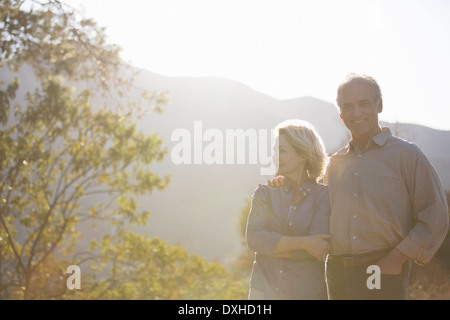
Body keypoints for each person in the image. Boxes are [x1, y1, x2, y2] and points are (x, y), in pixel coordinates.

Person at [268, 73, 449, 300]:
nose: (356, 112)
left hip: (383, 270)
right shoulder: (335, 163)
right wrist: (285, 188)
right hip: (337, 272)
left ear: (379, 105)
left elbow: (436, 216)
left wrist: (394, 261)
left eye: (364, 104)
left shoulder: (406, 155)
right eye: (348, 106)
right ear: (341, 114)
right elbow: (319, 213)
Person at [246, 119, 331, 300]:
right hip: (263, 294)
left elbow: (318, 248)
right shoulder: (265, 193)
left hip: (307, 293)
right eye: (275, 151)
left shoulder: (323, 196)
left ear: (303, 154)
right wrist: (304, 243)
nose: (274, 157)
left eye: (281, 151)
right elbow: (254, 239)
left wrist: (271, 247)